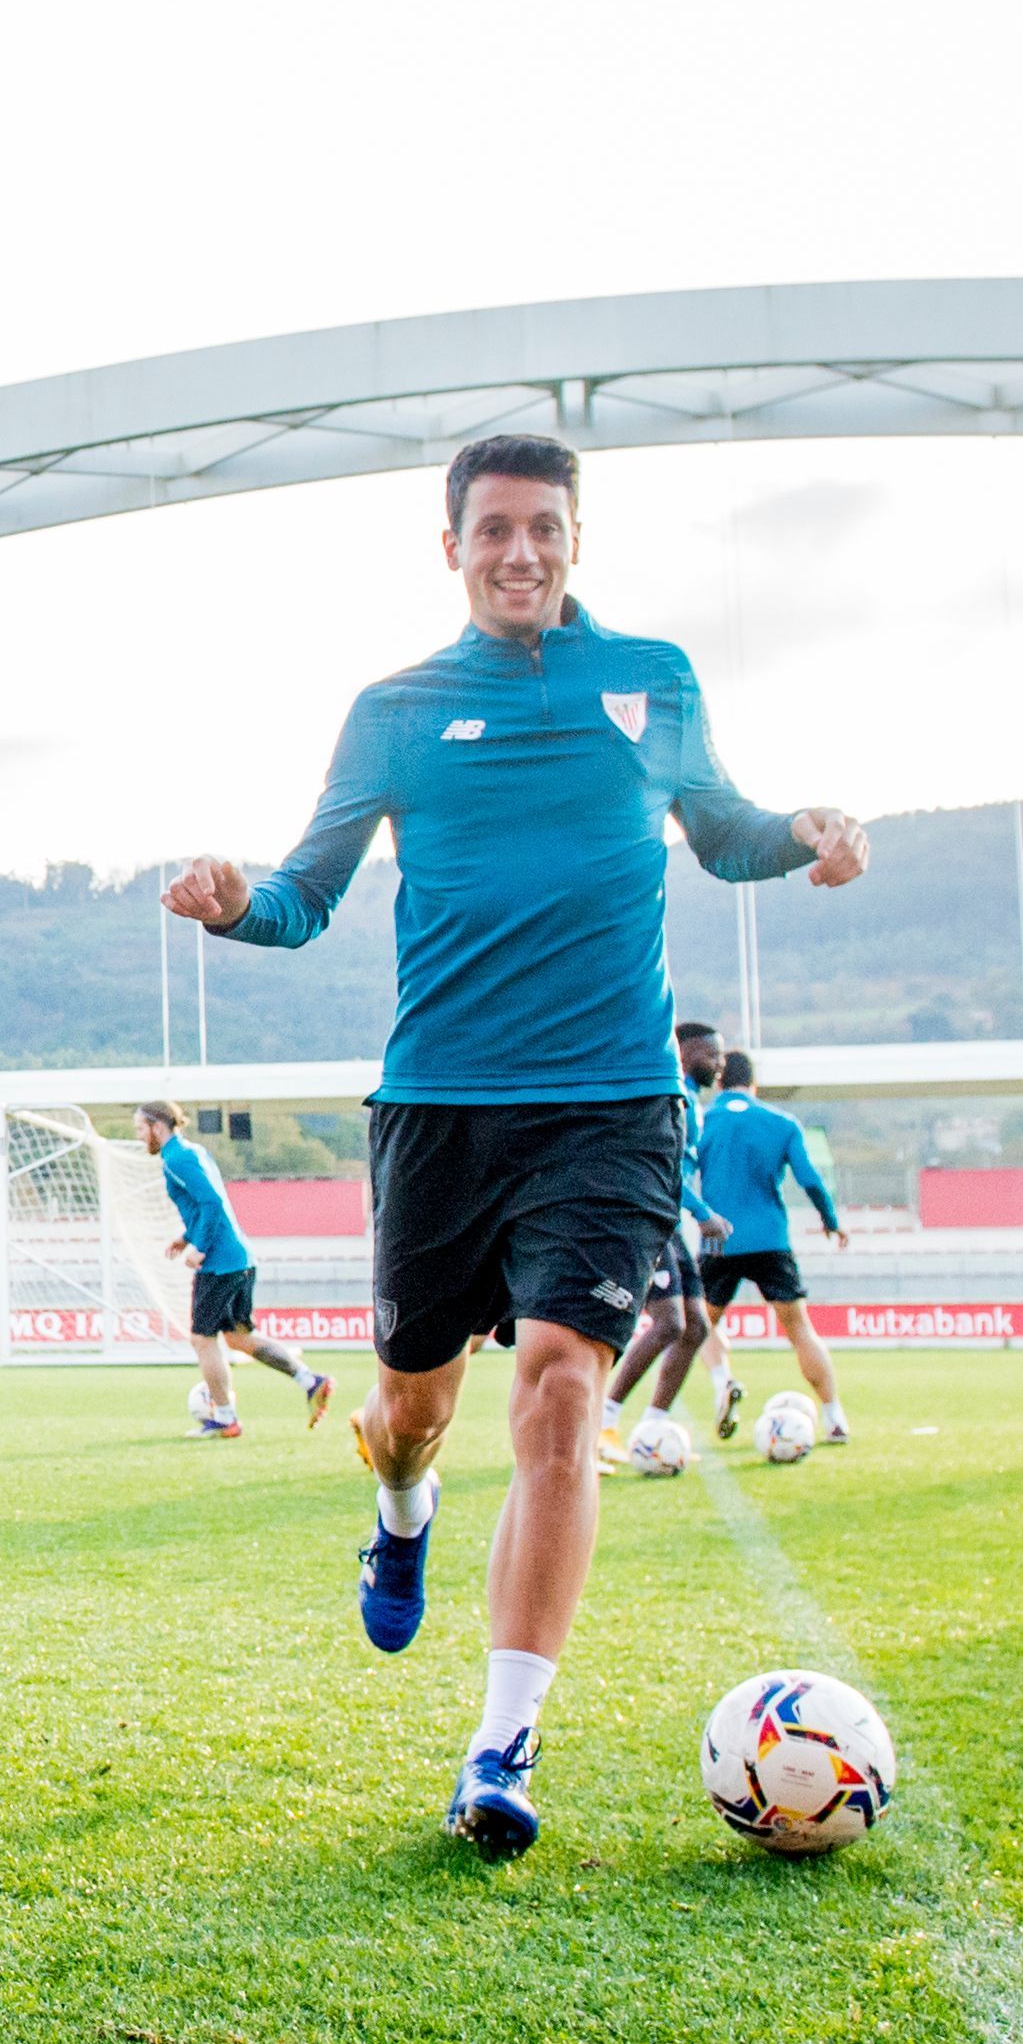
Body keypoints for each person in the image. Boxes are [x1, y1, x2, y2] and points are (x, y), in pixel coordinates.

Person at [163, 433, 867, 1860]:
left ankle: (501, 1744)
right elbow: (306, 896)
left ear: (576, 540)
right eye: (493, 531)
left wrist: (804, 829)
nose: (520, 553)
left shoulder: (652, 680)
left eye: (544, 528)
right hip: (439, 1110)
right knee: (411, 1408)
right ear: (451, 549)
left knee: (557, 1396)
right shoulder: (396, 709)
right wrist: (234, 901)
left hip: (610, 1110)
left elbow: (722, 836)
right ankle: (400, 1510)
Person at [139, 1098, 328, 1436]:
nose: (140, 1137)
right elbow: (210, 1206)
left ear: (157, 1126)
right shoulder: (192, 1151)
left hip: (220, 1262)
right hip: (239, 1258)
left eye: (140, 1129)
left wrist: (199, 1247)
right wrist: (187, 1236)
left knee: (202, 1339)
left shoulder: (176, 1159)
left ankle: (225, 1417)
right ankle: (309, 1380)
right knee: (239, 1338)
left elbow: (211, 1202)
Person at [692, 1052, 849, 1440]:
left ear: (719, 1082)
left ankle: (722, 1381)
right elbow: (810, 1180)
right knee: (799, 1328)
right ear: (754, 1084)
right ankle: (834, 1418)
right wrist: (830, 1222)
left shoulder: (702, 1121)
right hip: (770, 1240)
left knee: (702, 1325)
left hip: (718, 1242)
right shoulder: (781, 1122)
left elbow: (682, 1174)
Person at [596, 1023, 727, 1446]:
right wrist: (704, 1214)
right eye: (713, 1056)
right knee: (669, 1322)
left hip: (669, 1223)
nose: (720, 1065)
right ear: (686, 1053)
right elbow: (665, 1168)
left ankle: (653, 1424)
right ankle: (604, 1418)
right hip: (647, 1220)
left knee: (696, 1328)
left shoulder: (696, 1104)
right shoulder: (671, 1096)